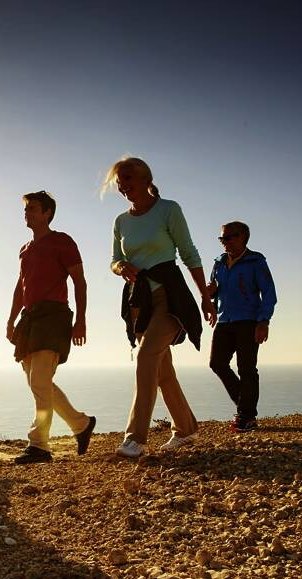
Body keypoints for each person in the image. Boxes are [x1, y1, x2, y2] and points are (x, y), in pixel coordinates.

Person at [105, 157, 216, 458]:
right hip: (138, 301)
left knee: (146, 357)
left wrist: (205, 297)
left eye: (128, 178)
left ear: (146, 178)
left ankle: (135, 439)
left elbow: (189, 253)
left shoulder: (169, 209)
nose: (123, 186)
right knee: (162, 370)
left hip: (170, 297)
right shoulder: (121, 221)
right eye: (119, 181)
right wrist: (120, 267)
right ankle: (186, 429)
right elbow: (114, 260)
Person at [6, 191, 96, 464]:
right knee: (38, 383)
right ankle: (81, 424)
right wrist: (11, 320)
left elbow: (80, 281)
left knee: (39, 382)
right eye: (26, 209)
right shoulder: (25, 249)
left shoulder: (62, 241)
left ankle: (39, 445)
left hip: (54, 317)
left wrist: (81, 321)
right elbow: (20, 287)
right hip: (30, 319)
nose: (27, 212)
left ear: (47, 213)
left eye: (32, 208)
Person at [207, 221, 277, 432]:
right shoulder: (219, 262)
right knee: (217, 364)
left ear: (243, 237)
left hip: (248, 321)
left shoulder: (256, 261)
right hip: (224, 320)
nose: (224, 242)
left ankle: (246, 416)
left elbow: (269, 294)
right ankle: (246, 408)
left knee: (246, 368)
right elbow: (216, 290)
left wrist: (263, 321)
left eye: (228, 237)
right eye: (222, 238)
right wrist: (211, 297)